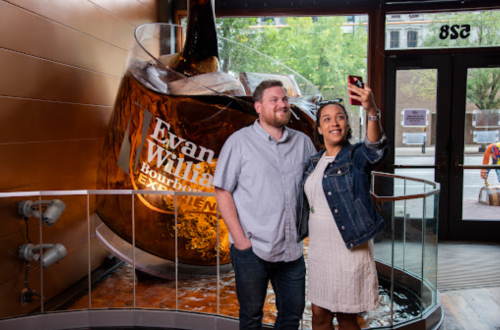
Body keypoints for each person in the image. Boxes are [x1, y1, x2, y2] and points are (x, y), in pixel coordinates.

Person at [213, 80, 316, 329]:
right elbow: (222, 191)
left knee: (292, 317)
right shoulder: (238, 142)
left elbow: (317, 187)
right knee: (251, 318)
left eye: (284, 100)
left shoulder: (303, 143)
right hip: (252, 250)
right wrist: (241, 241)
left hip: (292, 252)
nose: (282, 104)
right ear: (258, 107)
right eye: (275, 100)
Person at [297, 81, 388, 330]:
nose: (334, 122)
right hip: (319, 248)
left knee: (347, 317)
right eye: (326, 119)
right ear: (318, 128)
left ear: (346, 124)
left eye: (339, 117)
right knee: (319, 314)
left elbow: (376, 149)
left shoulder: (355, 155)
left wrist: (371, 110)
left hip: (349, 247)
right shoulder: (313, 162)